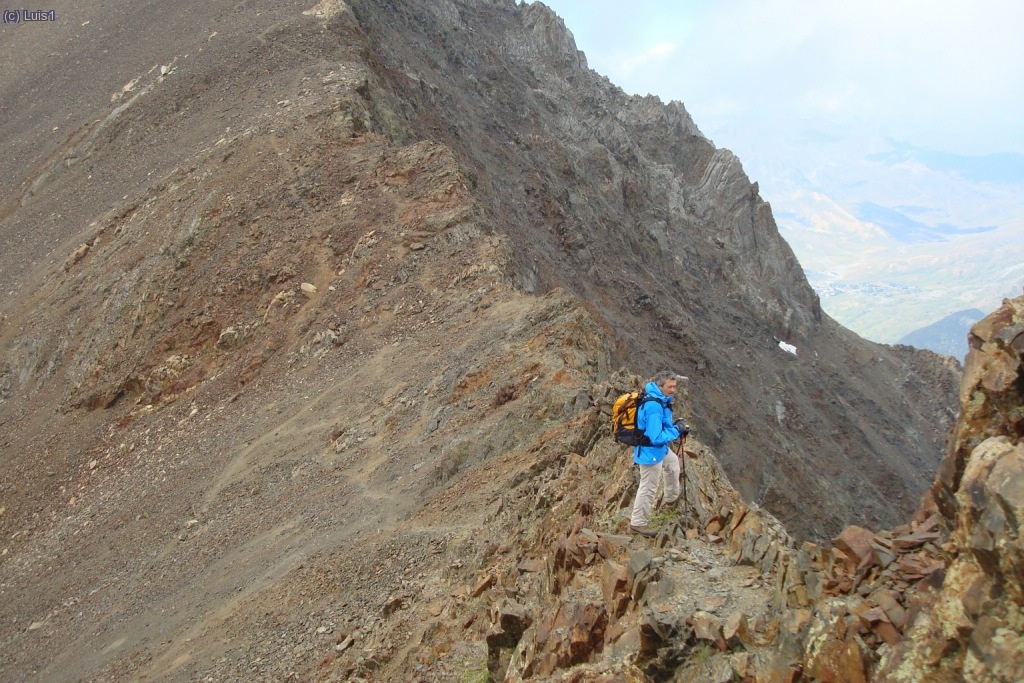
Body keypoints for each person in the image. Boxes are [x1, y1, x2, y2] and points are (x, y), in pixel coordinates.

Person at [629, 370, 689, 538]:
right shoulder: (654, 406)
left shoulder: (660, 400)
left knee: (673, 465)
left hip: (660, 450)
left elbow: (663, 426)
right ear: (660, 386)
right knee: (648, 487)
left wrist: (675, 426)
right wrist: (677, 431)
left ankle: (671, 499)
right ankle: (638, 523)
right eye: (670, 387)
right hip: (650, 453)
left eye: (674, 386)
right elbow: (655, 436)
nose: (673, 390)